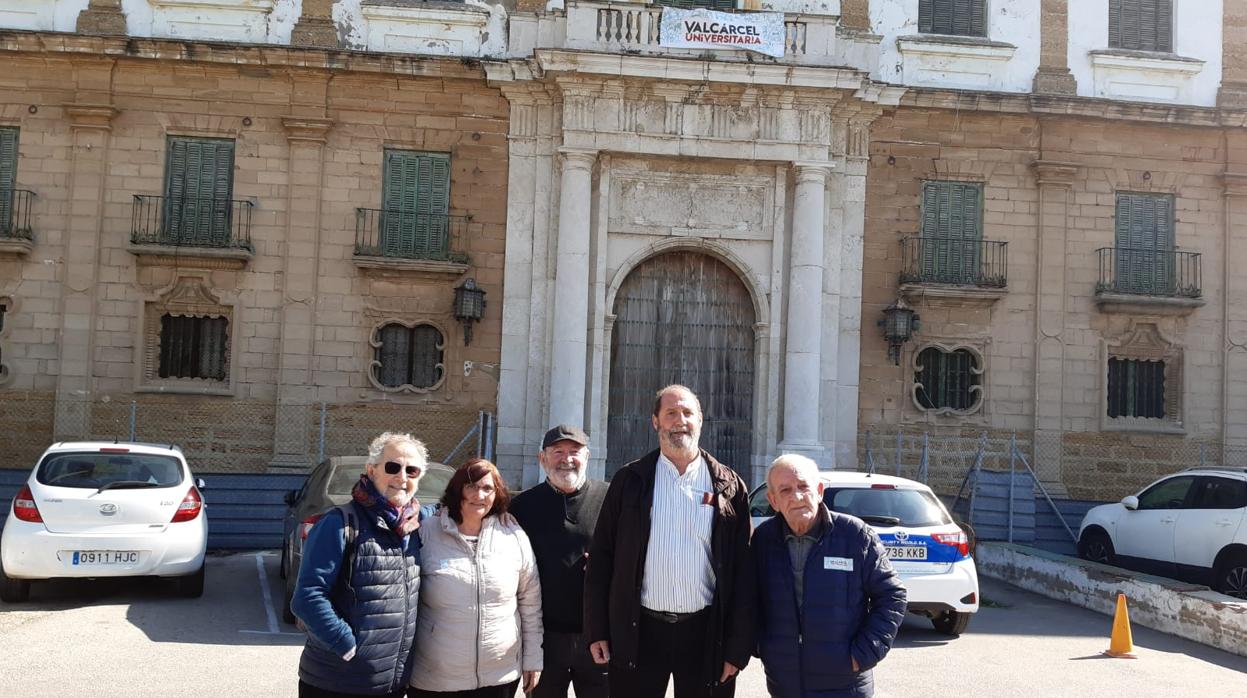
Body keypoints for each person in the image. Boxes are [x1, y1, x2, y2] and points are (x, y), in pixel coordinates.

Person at [584, 385, 753, 698]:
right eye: (671, 413)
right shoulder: (629, 481)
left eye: (688, 413)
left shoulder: (729, 486)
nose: (680, 420)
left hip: (706, 635)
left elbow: (743, 573)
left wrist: (737, 647)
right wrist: (597, 630)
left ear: (700, 421)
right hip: (639, 631)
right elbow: (602, 559)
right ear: (655, 422)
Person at [752, 454, 907, 698]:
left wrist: (863, 653)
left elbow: (892, 596)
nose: (797, 497)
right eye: (785, 490)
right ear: (773, 500)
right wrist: (763, 647)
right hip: (785, 682)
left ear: (820, 491)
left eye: (804, 486)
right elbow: (750, 600)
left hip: (845, 683)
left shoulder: (855, 535)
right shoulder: (763, 540)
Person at [292, 432, 429, 698]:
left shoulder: (414, 525)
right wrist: (347, 646)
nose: (402, 478)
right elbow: (307, 597)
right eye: (392, 467)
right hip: (337, 682)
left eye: (411, 471)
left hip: (392, 684)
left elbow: (452, 511)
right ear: (371, 469)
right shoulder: (339, 523)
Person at [409, 458, 543, 698]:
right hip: (437, 676)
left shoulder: (513, 535)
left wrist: (533, 658)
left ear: (497, 494)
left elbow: (530, 602)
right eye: (470, 486)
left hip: (499, 675)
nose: (478, 494)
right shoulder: (426, 532)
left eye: (487, 488)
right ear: (457, 489)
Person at [511, 425, 610, 698]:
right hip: (544, 639)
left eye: (574, 452)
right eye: (558, 452)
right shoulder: (521, 506)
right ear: (542, 459)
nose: (567, 459)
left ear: (587, 457)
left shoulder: (612, 499)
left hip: (599, 638)